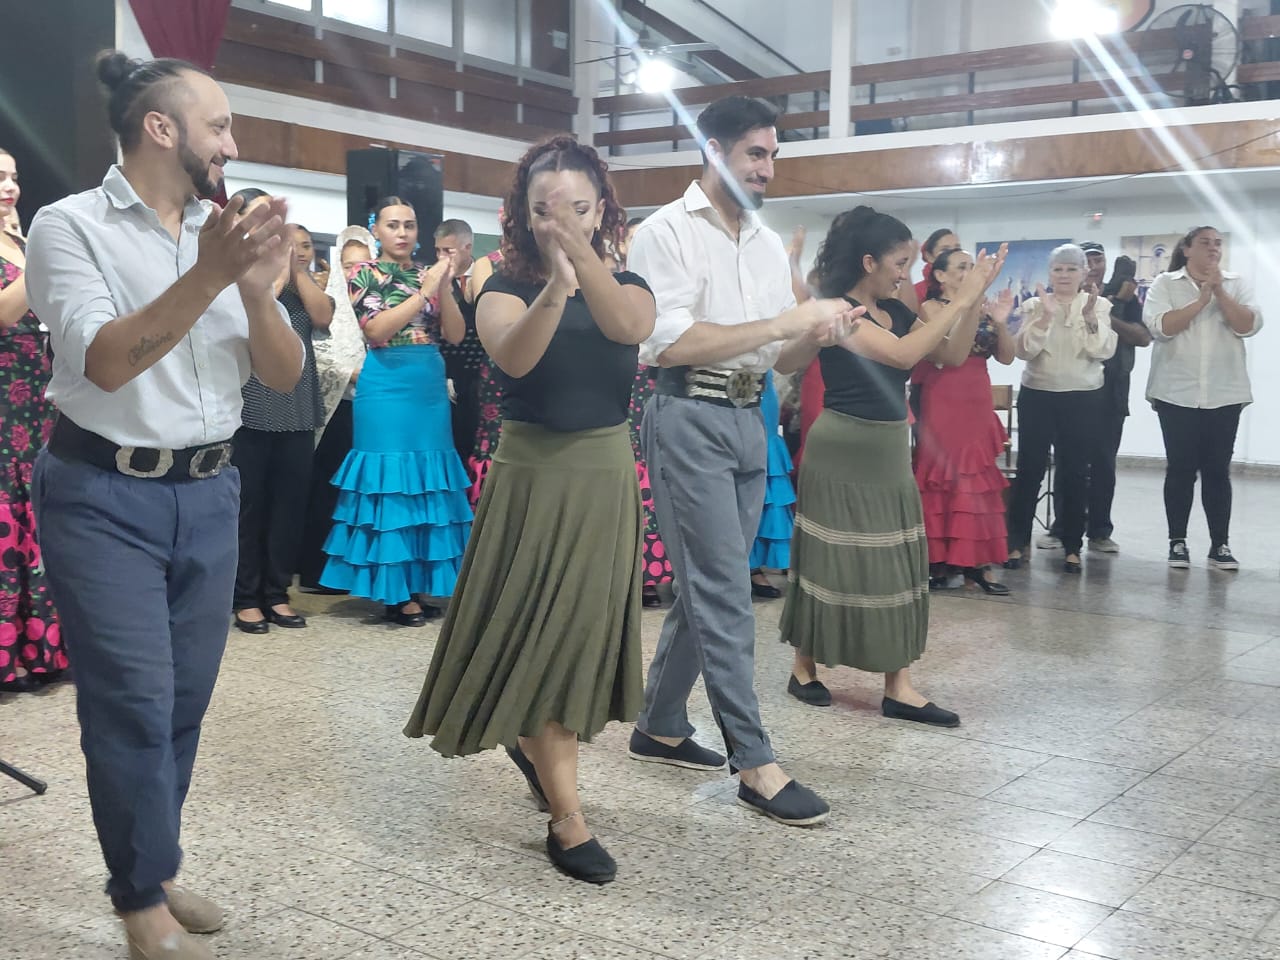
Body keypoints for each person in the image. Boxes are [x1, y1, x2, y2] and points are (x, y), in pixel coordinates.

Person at [26, 51, 304, 960]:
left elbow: (282, 376)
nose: (232, 144)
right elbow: (106, 363)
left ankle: (155, 858)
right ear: (161, 128)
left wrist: (256, 294)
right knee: (133, 701)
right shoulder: (70, 226)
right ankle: (141, 892)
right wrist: (214, 276)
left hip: (211, 492)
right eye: (218, 125)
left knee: (184, 700)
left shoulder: (222, 238)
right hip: (102, 496)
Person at [404, 135, 655, 885]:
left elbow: (630, 328)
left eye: (580, 208)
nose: (564, 221)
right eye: (548, 210)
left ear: (601, 210)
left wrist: (584, 265)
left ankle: (537, 747)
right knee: (539, 631)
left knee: (576, 634)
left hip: (604, 474)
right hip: (533, 476)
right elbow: (514, 357)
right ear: (523, 215)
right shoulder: (503, 285)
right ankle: (567, 817)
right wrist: (556, 287)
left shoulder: (628, 281)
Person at [626, 96, 857, 828]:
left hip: (749, 417)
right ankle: (754, 762)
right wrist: (786, 320)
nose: (767, 169)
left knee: (710, 582)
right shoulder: (663, 232)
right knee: (724, 589)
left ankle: (660, 724)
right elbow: (669, 344)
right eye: (756, 153)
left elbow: (777, 355)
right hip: (687, 412)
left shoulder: (761, 241)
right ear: (715, 150)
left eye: (773, 156)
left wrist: (816, 332)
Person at [780, 208, 1004, 725]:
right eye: (899, 263)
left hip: (886, 449)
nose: (906, 273)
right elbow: (903, 357)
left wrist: (972, 299)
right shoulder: (840, 311)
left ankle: (898, 684)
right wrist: (961, 299)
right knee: (830, 558)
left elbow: (950, 354)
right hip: (841, 447)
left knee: (895, 562)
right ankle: (804, 666)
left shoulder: (896, 311)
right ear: (868, 261)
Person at [318, 196, 473, 625]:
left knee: (428, 480)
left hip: (428, 383)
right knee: (390, 482)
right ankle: (395, 591)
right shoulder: (362, 273)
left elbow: (455, 335)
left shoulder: (429, 273)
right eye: (393, 225)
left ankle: (420, 583)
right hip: (386, 383)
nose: (402, 233)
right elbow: (377, 330)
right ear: (377, 230)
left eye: (409, 224)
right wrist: (424, 292)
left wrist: (443, 288)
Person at [230, 202, 332, 633]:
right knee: (249, 508)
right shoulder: (244, 281)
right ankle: (245, 597)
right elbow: (256, 311)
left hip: (298, 411)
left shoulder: (303, 288)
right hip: (250, 410)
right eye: (291, 243)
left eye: (304, 245)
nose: (298, 249)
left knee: (289, 509)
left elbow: (324, 315)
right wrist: (274, 274)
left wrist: (297, 271)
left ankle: (277, 593)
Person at [1143, 225, 1260, 570]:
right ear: (1187, 249)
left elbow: (1248, 325)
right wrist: (1200, 301)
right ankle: (1177, 542)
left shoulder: (1236, 283)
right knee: (1180, 469)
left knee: (1217, 471)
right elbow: (1162, 328)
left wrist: (1219, 291)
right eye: (1205, 243)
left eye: (1218, 244)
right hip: (1175, 393)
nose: (1213, 249)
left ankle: (1219, 545)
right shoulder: (1165, 284)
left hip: (1225, 393)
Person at [1004, 245, 1117, 574]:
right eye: (1058, 269)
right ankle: (1017, 542)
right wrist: (1045, 318)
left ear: (1084, 273)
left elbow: (1102, 351)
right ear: (1050, 273)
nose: (1064, 275)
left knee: (1075, 472)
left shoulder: (1099, 305)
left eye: (1071, 269)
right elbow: (1024, 351)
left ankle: (1072, 547)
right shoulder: (1034, 304)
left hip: (1082, 397)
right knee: (1029, 470)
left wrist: (1089, 318)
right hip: (1038, 395)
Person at [913, 247, 1016, 595]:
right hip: (943, 395)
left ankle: (978, 563)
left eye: (972, 267)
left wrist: (1000, 322)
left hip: (977, 396)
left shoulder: (984, 307)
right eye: (961, 267)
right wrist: (970, 302)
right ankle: (938, 562)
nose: (969, 272)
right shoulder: (930, 308)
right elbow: (947, 351)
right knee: (941, 476)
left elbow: (1006, 356)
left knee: (977, 478)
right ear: (940, 275)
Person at [0, 147, 65, 693]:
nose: (10, 187)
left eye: (14, 177)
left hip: (37, 394)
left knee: (37, 512)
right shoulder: (29, 251)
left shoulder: (19, 243)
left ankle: (40, 646)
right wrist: (45, 259)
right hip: (3, 396)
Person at [1038, 243, 1151, 554]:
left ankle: (1100, 531)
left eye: (1097, 259)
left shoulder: (1124, 297)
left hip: (1111, 391)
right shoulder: (1063, 298)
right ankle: (1062, 528)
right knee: (1067, 460)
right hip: (1070, 390)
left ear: (1102, 264)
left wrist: (1106, 309)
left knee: (1103, 462)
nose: (1092, 266)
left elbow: (1143, 337)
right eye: (1085, 261)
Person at [299, 227, 371, 591]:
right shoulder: (326, 303)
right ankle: (318, 573)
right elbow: (313, 355)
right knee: (329, 490)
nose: (356, 272)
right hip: (335, 413)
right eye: (348, 265)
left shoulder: (380, 301)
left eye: (363, 264)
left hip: (374, 412)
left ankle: (356, 571)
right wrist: (350, 373)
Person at [435, 219, 486, 465]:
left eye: (448, 251)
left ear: (467, 248)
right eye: (438, 250)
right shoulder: (432, 280)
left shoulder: (490, 277)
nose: (441, 257)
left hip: (483, 381)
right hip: (443, 380)